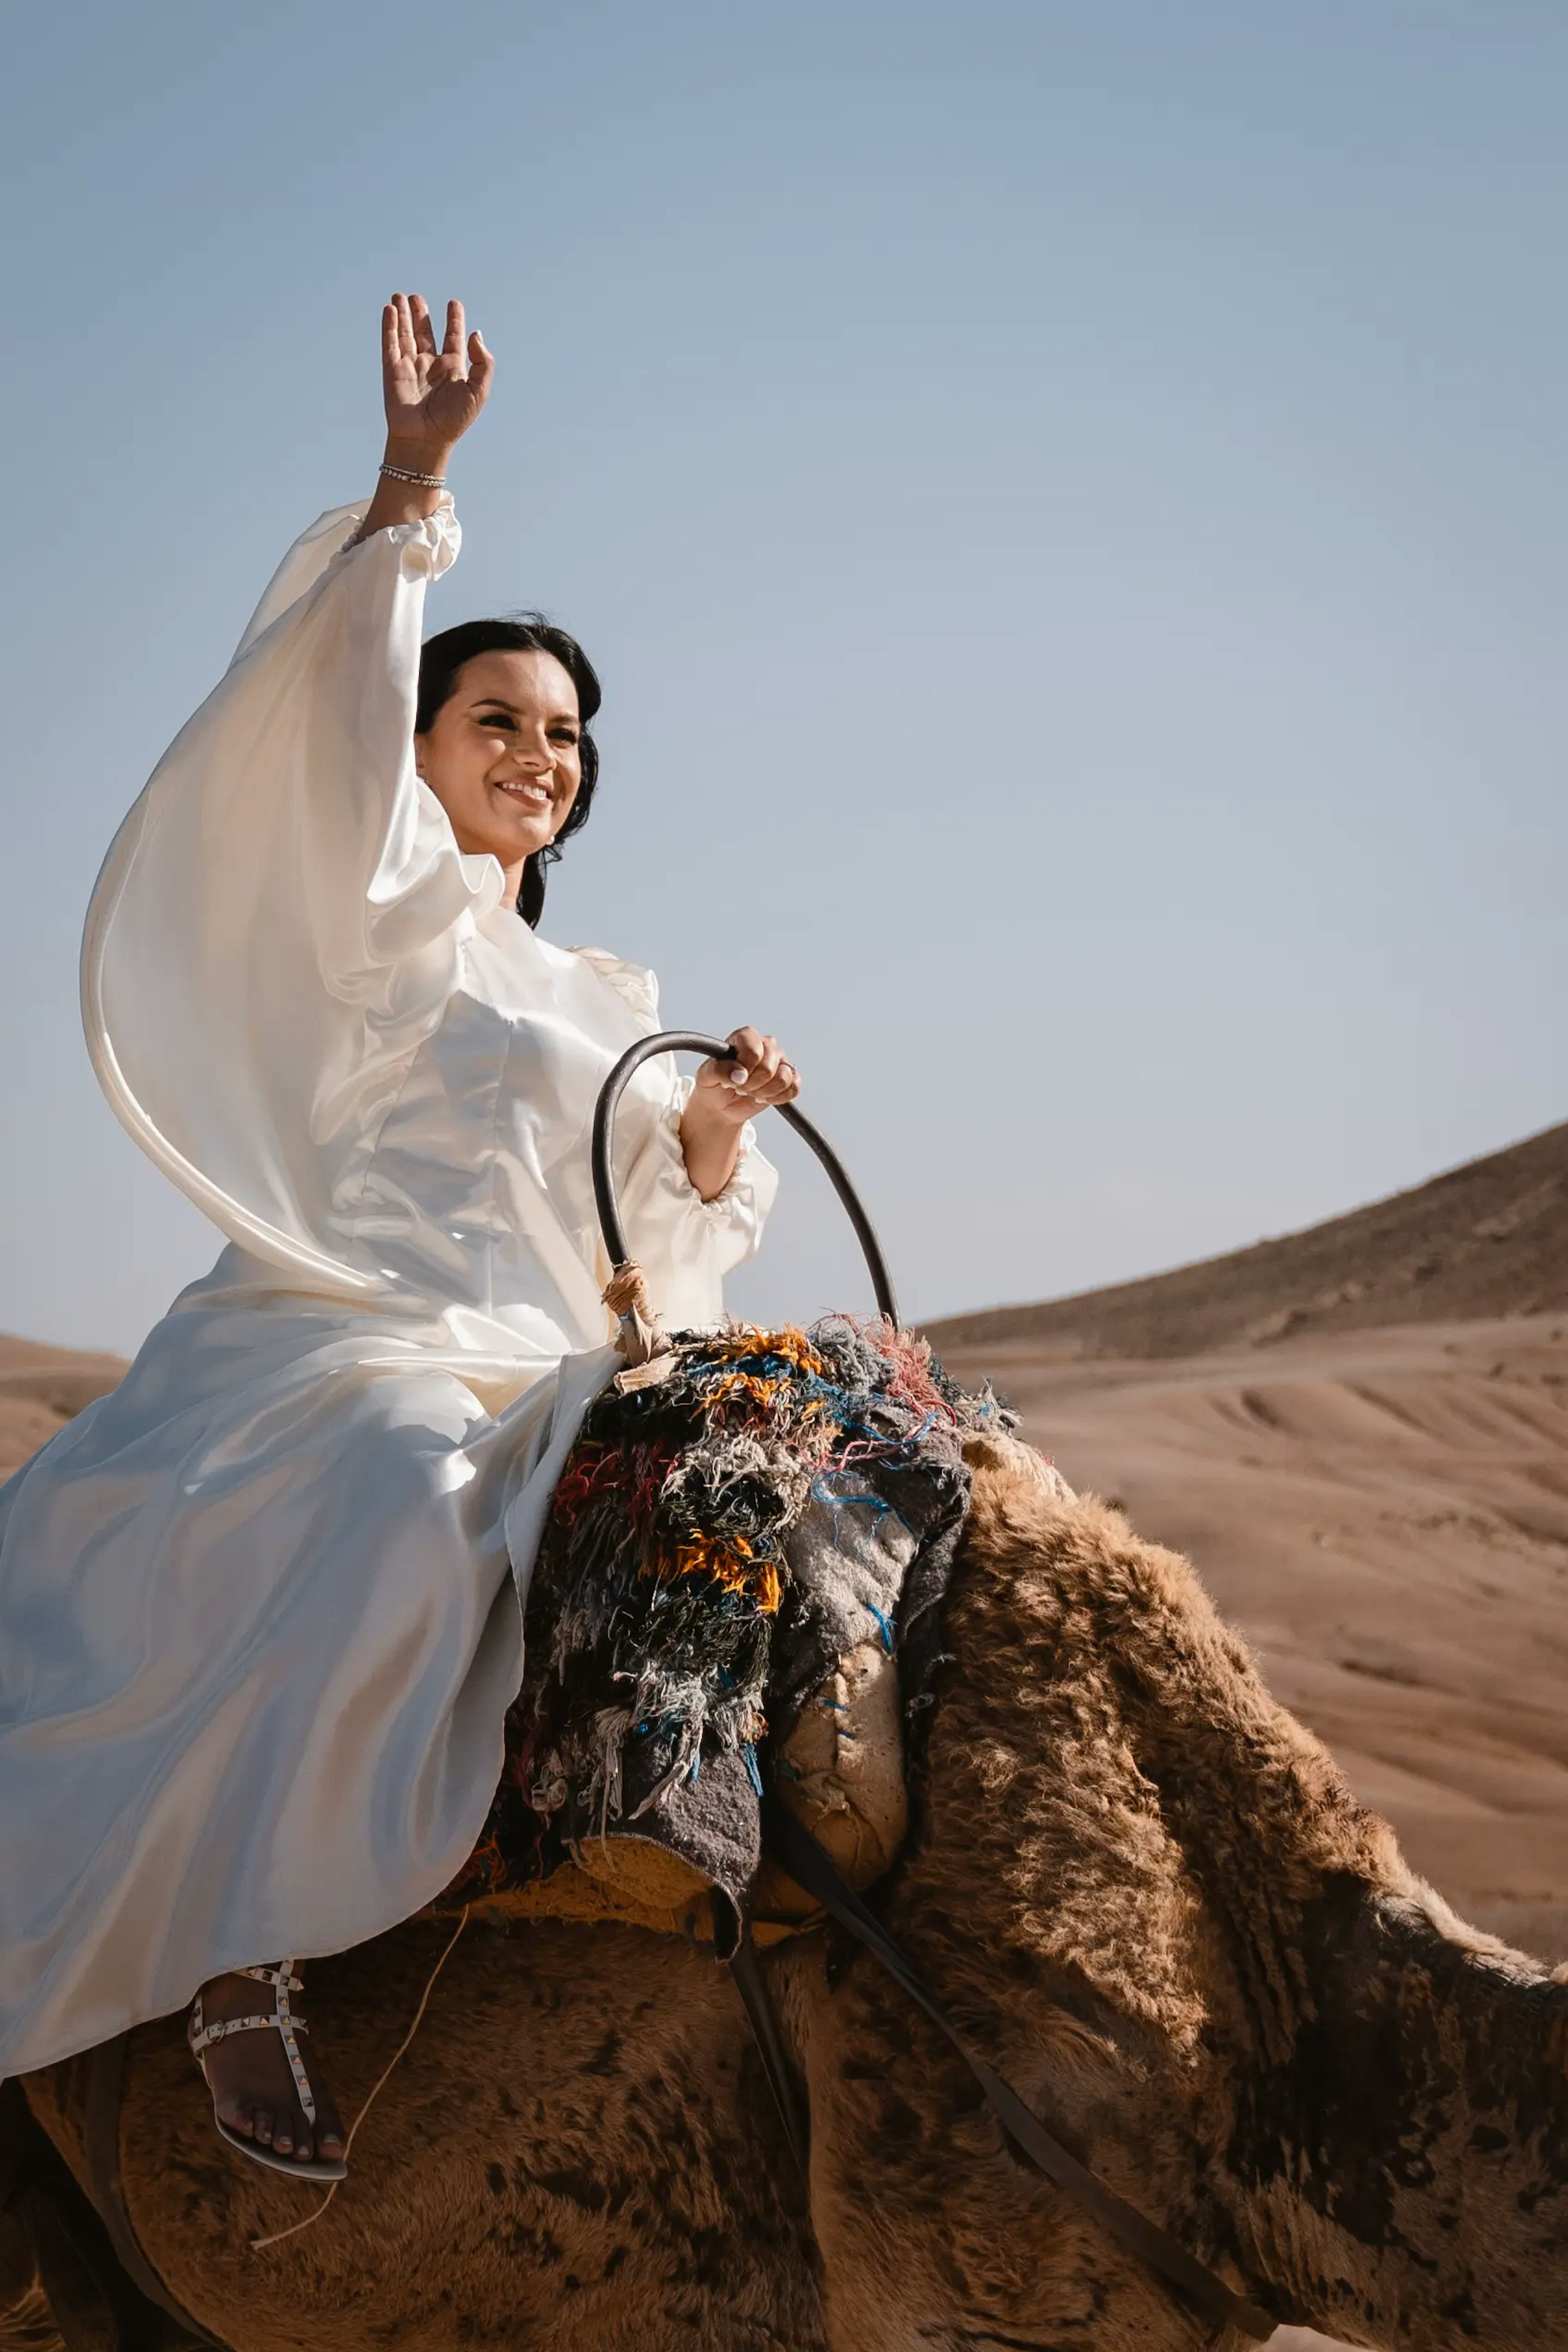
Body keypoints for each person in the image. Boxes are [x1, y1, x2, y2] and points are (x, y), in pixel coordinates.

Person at [0, 294, 797, 2180]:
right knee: (400, 1476)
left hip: (555, 1354)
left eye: (568, 735)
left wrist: (705, 1133)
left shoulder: (606, 991)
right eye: (497, 720)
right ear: (424, 745)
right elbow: (324, 740)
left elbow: (657, 1255)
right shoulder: (388, 916)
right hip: (360, 1334)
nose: (541, 753)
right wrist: (410, 489)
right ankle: (238, 1954)